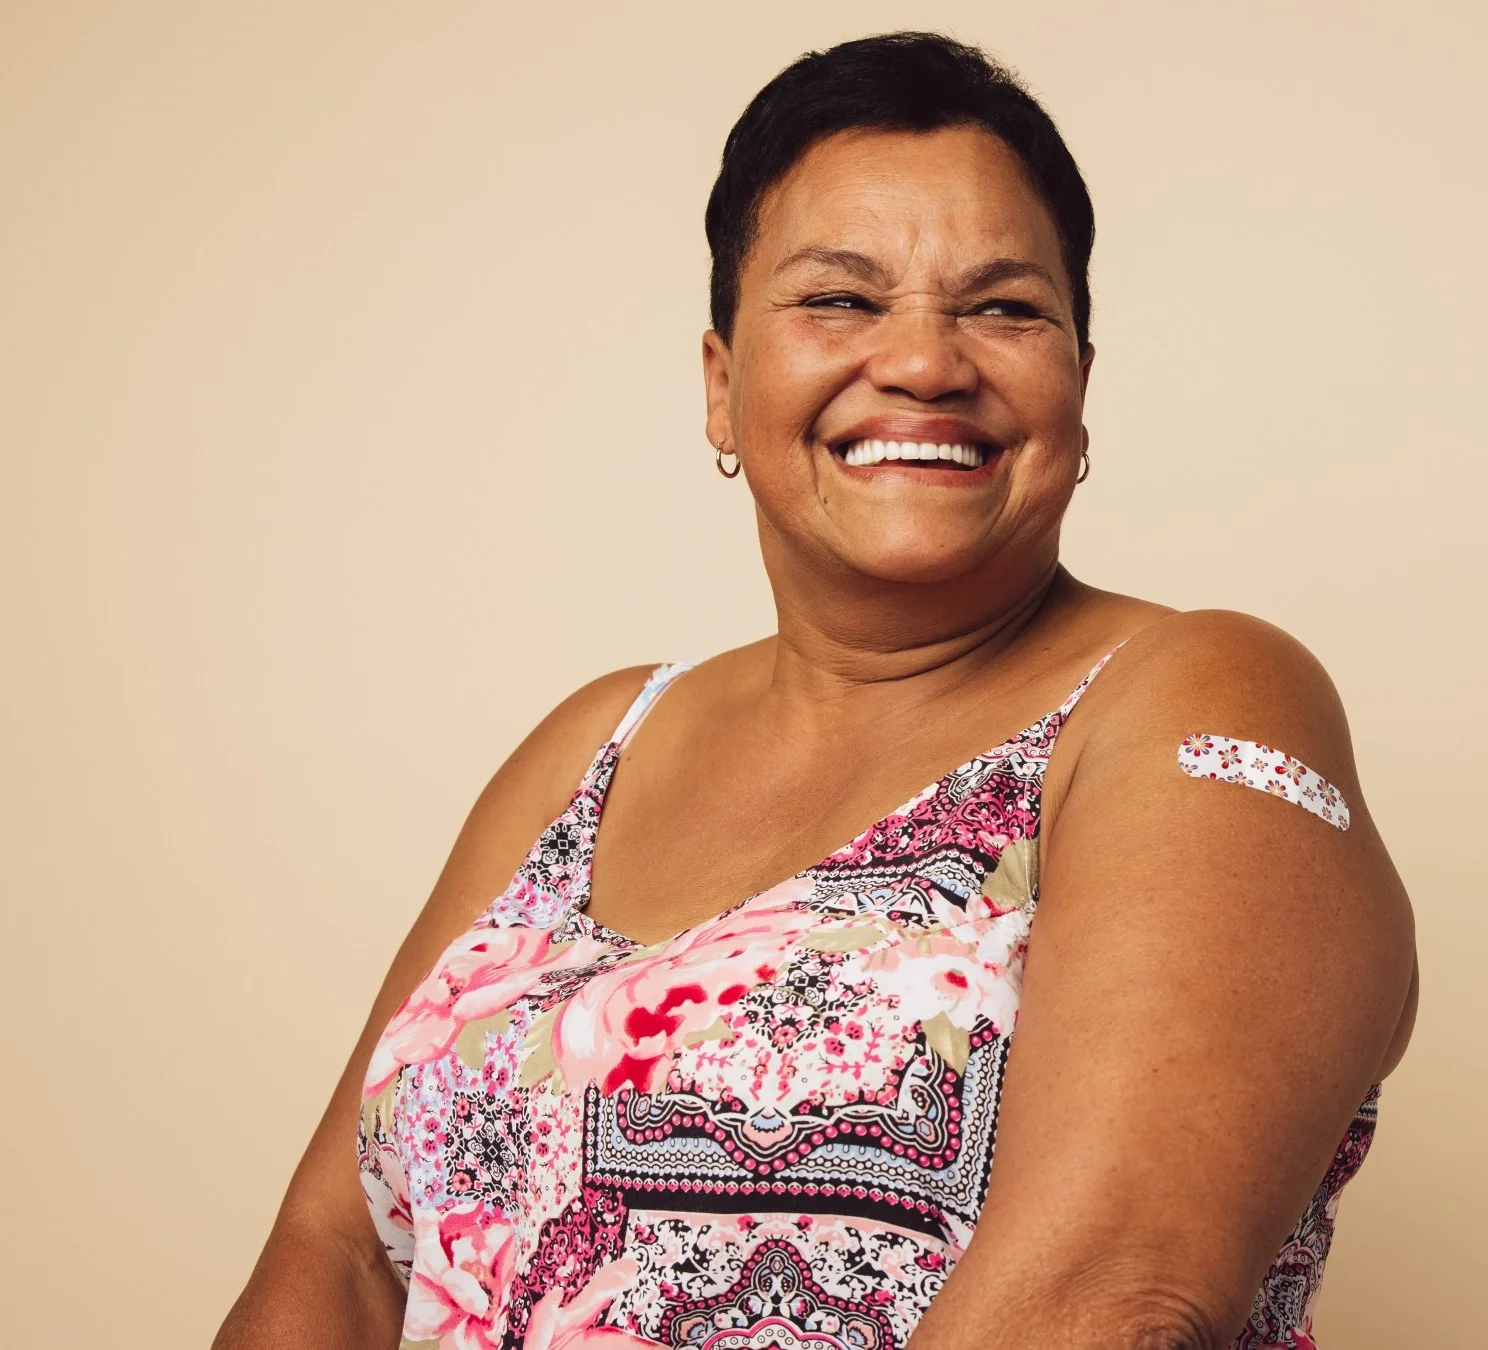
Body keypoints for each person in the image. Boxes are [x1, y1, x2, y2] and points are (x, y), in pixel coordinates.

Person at [214, 31, 1417, 1350]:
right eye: (841, 300)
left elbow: (1111, 1298)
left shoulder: (1198, 699)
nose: (924, 362)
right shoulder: (597, 741)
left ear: (1080, 381)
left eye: (1006, 307)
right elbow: (327, 1254)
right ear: (724, 387)